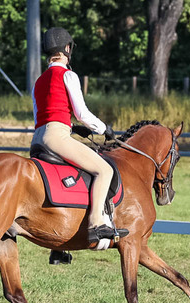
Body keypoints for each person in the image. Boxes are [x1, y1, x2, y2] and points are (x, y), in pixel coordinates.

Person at [31, 27, 127, 248]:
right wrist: (104, 129)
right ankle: (96, 224)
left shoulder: (39, 81)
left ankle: (60, 244)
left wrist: (72, 128)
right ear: (67, 48)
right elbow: (82, 113)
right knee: (105, 170)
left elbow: (41, 116)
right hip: (56, 138)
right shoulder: (67, 75)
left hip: (38, 139)